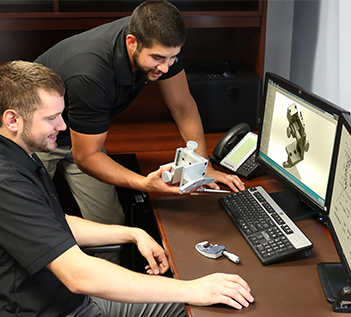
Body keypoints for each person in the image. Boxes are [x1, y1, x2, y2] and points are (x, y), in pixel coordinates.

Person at [0, 61, 254, 317]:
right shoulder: (2, 183)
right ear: (12, 120)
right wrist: (191, 288)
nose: (62, 126)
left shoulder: (18, 156)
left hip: (70, 302)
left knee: (216, 304)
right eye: (51, 118)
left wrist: (132, 234)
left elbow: (55, 224)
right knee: (201, 302)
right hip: (53, 315)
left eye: (62, 114)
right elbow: (78, 275)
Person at [35, 0, 245, 227]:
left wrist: (204, 166)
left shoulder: (157, 40)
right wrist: (146, 184)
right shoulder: (91, 75)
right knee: (37, 226)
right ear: (132, 42)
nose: (165, 68)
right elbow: (86, 157)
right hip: (35, 137)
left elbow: (182, 105)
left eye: (172, 57)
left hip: (82, 137)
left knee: (111, 224)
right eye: (157, 58)